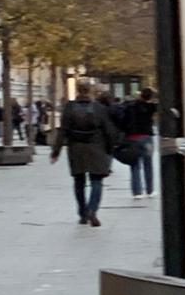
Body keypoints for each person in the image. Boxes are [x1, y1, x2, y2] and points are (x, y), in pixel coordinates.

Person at [51, 84, 121, 226]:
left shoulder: (69, 108)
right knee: (97, 181)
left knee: (79, 182)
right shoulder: (99, 108)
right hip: (96, 147)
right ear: (90, 91)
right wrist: (110, 149)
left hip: (76, 148)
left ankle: (82, 213)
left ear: (78, 91)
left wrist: (56, 152)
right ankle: (92, 210)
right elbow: (108, 130)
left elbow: (63, 131)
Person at [121, 88, 158, 198]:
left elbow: (123, 120)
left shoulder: (130, 106)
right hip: (146, 137)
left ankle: (137, 191)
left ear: (140, 95)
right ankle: (149, 190)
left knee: (135, 164)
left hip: (132, 138)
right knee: (148, 164)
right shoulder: (151, 107)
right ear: (150, 97)